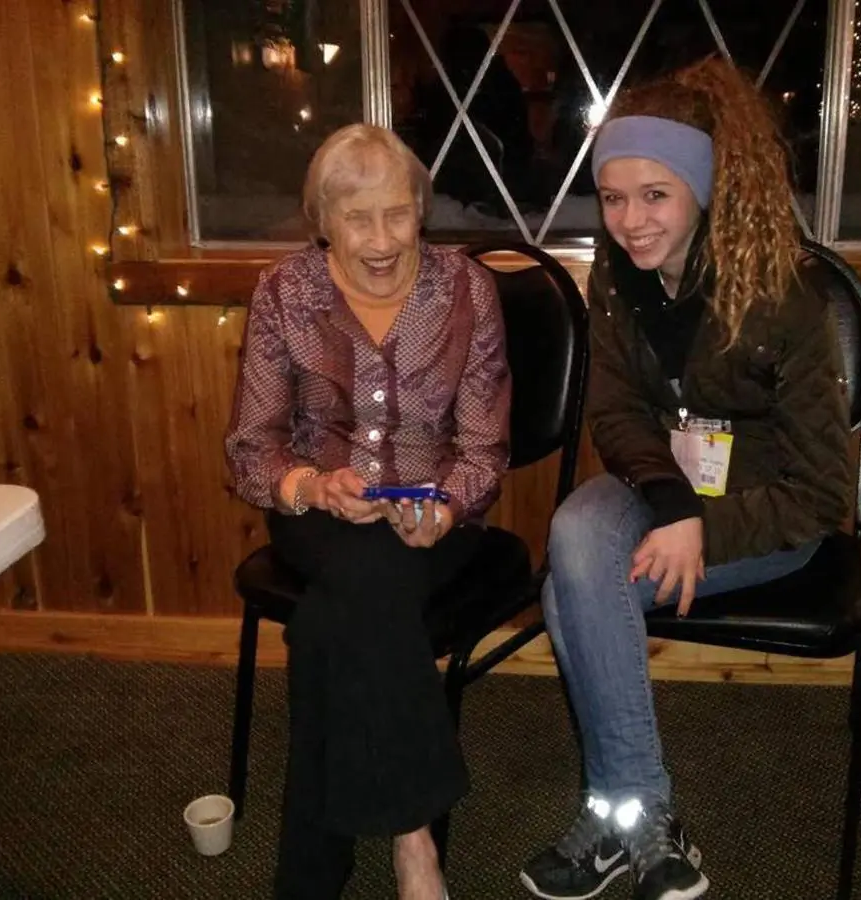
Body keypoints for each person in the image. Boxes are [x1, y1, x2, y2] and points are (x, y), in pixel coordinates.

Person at [519, 58, 853, 900]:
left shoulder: (786, 297)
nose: (631, 221)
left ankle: (611, 820)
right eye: (616, 196)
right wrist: (671, 504)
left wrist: (706, 527)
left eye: (655, 195)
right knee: (573, 535)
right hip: (655, 489)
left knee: (572, 590)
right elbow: (618, 412)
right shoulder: (618, 275)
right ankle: (650, 817)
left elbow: (823, 495)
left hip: (761, 517)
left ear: (704, 189)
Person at [225, 123, 511, 900]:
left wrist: (448, 507)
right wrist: (313, 486)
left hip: (437, 522)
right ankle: (415, 841)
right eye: (357, 218)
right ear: (323, 222)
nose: (381, 239)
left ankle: (311, 876)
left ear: (422, 209)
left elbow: (486, 446)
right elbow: (252, 449)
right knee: (364, 573)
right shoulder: (286, 292)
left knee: (329, 624)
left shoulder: (465, 289)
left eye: (398, 213)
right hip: (321, 515)